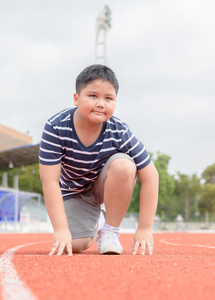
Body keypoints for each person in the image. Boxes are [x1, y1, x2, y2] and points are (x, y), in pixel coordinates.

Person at [39, 64, 158, 256]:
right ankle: (98, 222)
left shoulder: (120, 131)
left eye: (108, 98)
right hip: (74, 192)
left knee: (125, 166)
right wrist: (61, 230)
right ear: (76, 99)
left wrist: (144, 228)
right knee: (75, 245)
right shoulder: (56, 127)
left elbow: (151, 176)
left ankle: (110, 230)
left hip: (104, 185)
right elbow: (50, 181)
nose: (101, 103)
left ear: (115, 102)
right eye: (93, 96)